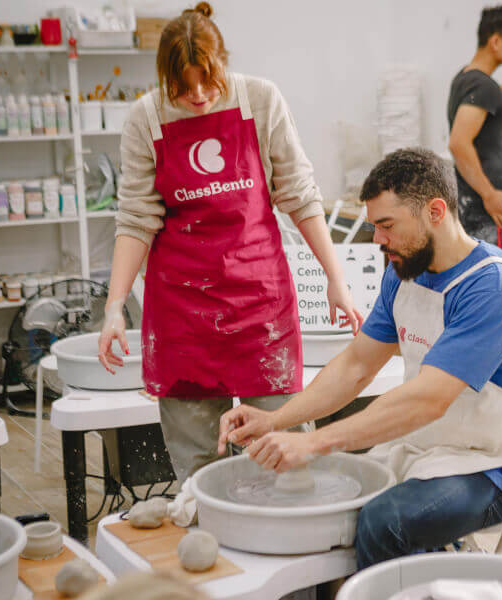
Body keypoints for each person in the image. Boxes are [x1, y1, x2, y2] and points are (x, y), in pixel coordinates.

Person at [218, 148, 502, 569]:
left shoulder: (492, 289)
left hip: (490, 466)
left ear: (436, 211)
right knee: (325, 502)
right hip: (423, 444)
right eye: (375, 227)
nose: (377, 240)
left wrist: (314, 442)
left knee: (382, 521)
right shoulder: (404, 270)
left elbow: (428, 399)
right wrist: (274, 420)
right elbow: (355, 366)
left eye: (387, 226)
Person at [97, 2, 361, 485]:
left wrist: (335, 279)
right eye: (182, 86)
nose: (197, 95)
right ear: (164, 77)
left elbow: (300, 195)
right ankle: (213, 543)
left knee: (285, 451)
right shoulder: (146, 118)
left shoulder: (259, 100)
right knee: (199, 466)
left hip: (259, 305)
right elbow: (136, 219)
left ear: (224, 63)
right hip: (183, 313)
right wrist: (115, 306)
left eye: (207, 80)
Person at [447, 5, 502, 257]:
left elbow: (501, 102)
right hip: (487, 211)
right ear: (495, 41)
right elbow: (458, 143)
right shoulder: (483, 86)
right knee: (496, 283)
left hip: (472, 206)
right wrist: (489, 194)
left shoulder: (467, 79)